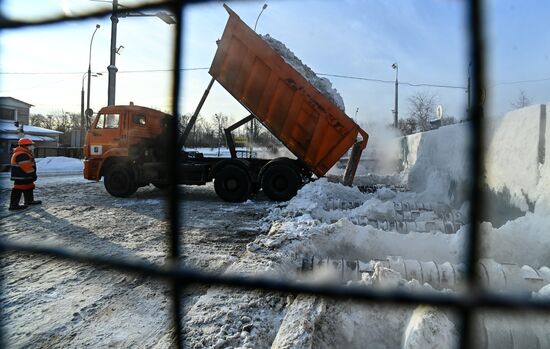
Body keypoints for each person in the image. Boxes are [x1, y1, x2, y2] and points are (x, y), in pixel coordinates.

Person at [9, 138, 42, 210]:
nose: (32, 146)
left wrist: (32, 175)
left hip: (24, 176)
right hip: (21, 176)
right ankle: (14, 205)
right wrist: (33, 175)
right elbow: (27, 168)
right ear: (24, 146)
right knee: (18, 189)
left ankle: (29, 201)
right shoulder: (22, 154)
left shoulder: (25, 153)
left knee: (29, 187)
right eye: (30, 145)